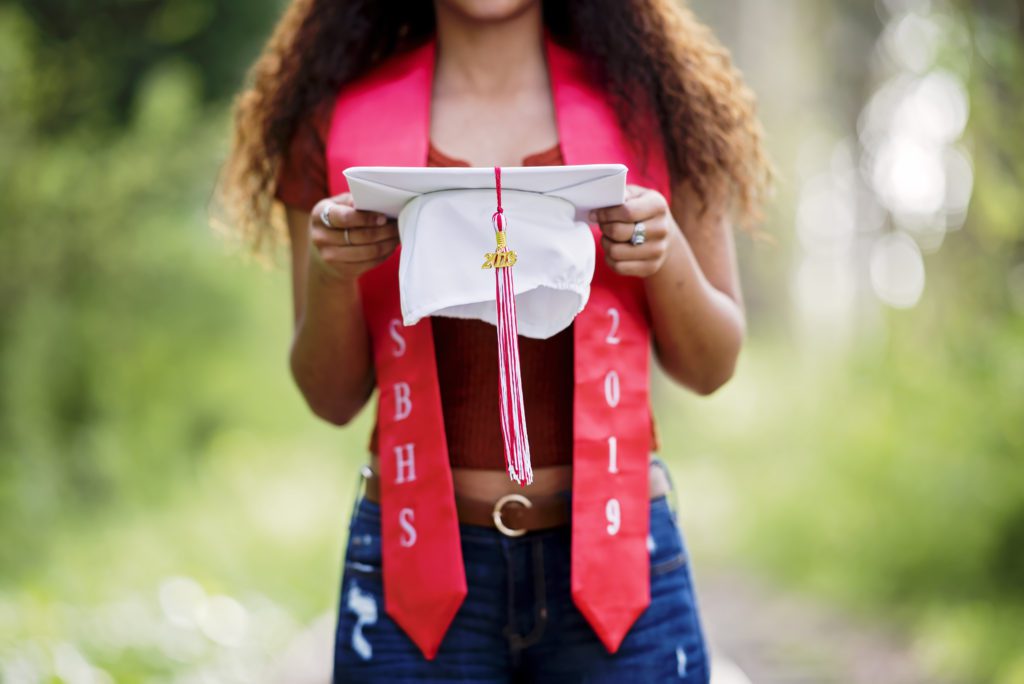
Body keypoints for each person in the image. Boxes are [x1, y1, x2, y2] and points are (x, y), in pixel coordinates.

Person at [219, 0, 769, 681]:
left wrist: (668, 255)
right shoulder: (334, 120)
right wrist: (333, 275)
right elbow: (329, 397)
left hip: (619, 560)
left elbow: (712, 366)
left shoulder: (657, 99)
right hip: (412, 566)